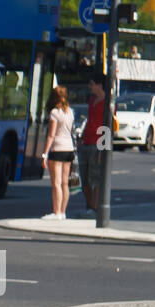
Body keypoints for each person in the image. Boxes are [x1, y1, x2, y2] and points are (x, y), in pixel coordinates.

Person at [40, 85, 75, 220]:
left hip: (57, 149)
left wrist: (45, 153)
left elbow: (51, 135)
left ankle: (56, 212)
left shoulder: (54, 112)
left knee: (56, 183)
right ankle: (63, 211)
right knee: (65, 183)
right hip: (69, 148)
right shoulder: (70, 112)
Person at [79, 68, 106, 215]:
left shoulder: (107, 103)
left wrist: (103, 149)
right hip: (87, 142)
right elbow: (89, 120)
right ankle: (90, 205)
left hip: (97, 144)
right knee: (84, 179)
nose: (90, 87)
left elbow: (108, 127)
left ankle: (94, 207)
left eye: (91, 84)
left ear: (99, 85)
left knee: (95, 178)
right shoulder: (92, 100)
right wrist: (81, 138)